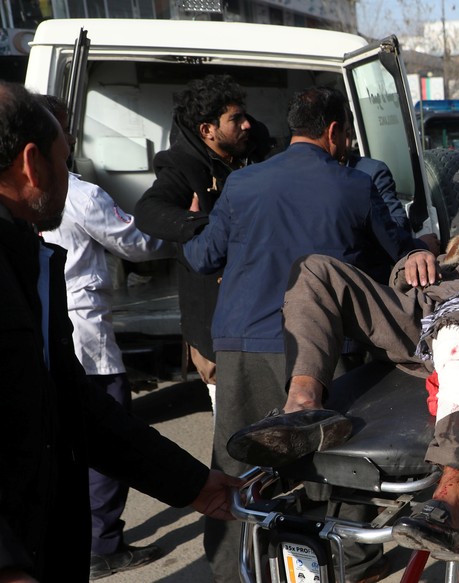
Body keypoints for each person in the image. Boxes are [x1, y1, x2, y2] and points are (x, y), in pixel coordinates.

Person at [225, 159, 459, 561]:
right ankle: (303, 408)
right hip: (418, 314)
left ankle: (454, 498)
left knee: (456, 324)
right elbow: (403, 279)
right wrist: (412, 261)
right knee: (314, 269)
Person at [0, 80, 242, 583]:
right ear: (30, 164)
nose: (69, 178)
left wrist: (192, 484)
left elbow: (77, 411)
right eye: (63, 159)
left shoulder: (24, 256)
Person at [182, 85, 416, 583]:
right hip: (325, 348)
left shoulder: (243, 184)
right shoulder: (354, 186)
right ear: (334, 132)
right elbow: (394, 254)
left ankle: (230, 568)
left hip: (244, 344)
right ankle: (352, 564)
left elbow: (203, 258)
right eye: (346, 134)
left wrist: (196, 219)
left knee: (237, 464)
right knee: (336, 465)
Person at [36, 95, 179, 579]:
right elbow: (134, 244)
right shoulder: (80, 194)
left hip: (46, 335)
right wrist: (181, 228)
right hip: (86, 337)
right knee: (107, 435)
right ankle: (104, 543)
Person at [134, 74, 266, 409]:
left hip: (259, 312)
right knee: (231, 419)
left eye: (244, 115)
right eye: (235, 119)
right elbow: (148, 210)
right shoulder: (181, 164)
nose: (247, 124)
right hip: (214, 317)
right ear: (207, 130)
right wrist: (208, 225)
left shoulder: (254, 147)